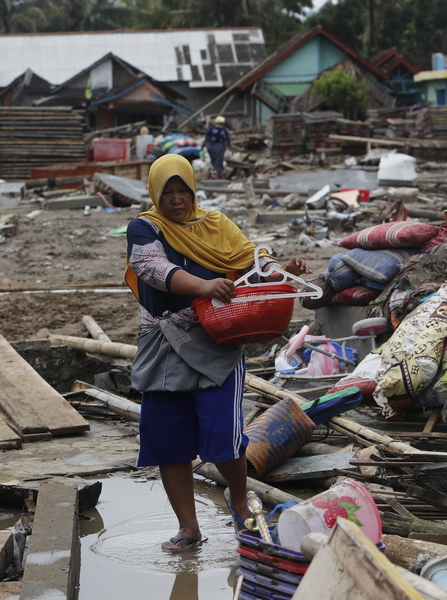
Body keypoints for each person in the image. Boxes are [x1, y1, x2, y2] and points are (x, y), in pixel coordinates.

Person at [125, 154, 311, 553]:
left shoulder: (215, 224)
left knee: (221, 434)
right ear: (156, 194)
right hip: (163, 344)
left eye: (183, 190)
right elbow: (152, 269)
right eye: (168, 191)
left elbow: (252, 257)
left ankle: (240, 501)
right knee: (167, 438)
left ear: (193, 191)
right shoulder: (144, 228)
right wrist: (204, 287)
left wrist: (278, 269)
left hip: (217, 342)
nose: (176, 198)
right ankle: (188, 527)